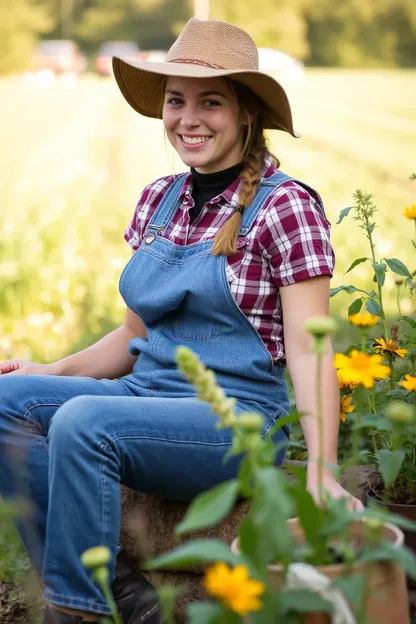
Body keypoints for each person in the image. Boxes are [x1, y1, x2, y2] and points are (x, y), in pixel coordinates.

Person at [0, 17, 363, 624]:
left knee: (86, 420)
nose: (188, 118)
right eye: (176, 101)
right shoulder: (159, 199)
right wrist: (52, 369)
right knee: (7, 399)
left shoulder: (286, 207)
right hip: (148, 396)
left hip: (238, 422)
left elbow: (310, 349)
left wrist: (324, 474)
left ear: (247, 113)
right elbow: (134, 336)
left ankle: (75, 613)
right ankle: (117, 589)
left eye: (211, 102)